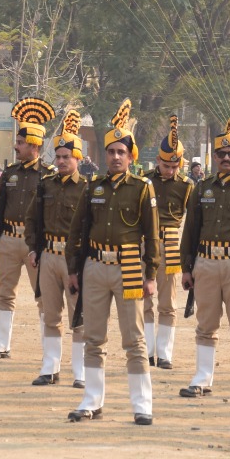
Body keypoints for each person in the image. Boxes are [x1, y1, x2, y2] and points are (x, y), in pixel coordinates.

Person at [65, 100, 161, 425]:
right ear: (105, 155)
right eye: (111, 152)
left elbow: (153, 235)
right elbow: (76, 230)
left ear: (131, 157)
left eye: (122, 152)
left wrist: (151, 275)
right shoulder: (93, 188)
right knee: (93, 337)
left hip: (130, 268)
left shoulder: (142, 189)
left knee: (134, 340)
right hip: (94, 267)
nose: (116, 157)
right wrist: (73, 270)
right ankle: (92, 400)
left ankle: (141, 405)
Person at [179, 102, 230, 400]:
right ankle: (202, 378)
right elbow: (191, 230)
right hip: (206, 262)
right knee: (206, 323)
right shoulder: (202, 188)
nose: (226, 158)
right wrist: (187, 267)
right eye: (221, 154)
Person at [0, 98, 55, 360]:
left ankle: (47, 348)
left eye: (20, 143)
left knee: (42, 295)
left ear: (34, 146)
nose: (16, 147)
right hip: (8, 239)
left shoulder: (48, 175)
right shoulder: (10, 173)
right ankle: (1, 344)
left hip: (34, 244)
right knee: (5, 294)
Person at [29, 108, 90, 388]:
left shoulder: (87, 189)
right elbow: (32, 219)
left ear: (78, 158)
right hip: (48, 256)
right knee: (50, 314)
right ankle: (49, 368)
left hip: (74, 259)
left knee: (78, 315)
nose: (63, 161)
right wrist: (33, 248)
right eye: (59, 157)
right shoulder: (46, 185)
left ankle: (80, 372)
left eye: (68, 157)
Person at [144, 115, 195, 369]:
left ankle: (164, 353)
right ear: (158, 161)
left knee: (168, 302)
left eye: (175, 166)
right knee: (143, 299)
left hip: (172, 244)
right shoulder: (145, 182)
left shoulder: (187, 186)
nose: (171, 170)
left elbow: (193, 221)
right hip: (145, 244)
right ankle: (146, 351)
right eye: (167, 166)